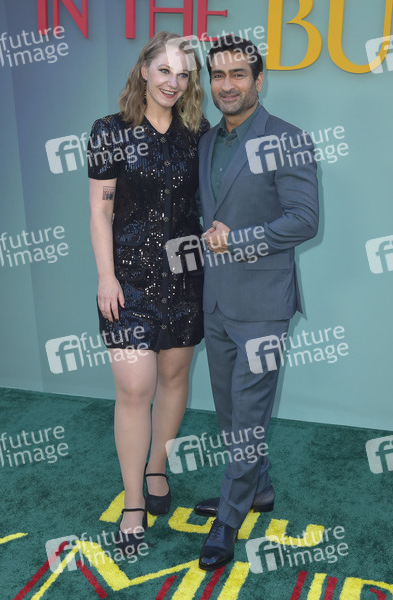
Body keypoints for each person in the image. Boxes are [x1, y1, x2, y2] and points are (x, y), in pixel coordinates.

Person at [194, 35, 319, 570]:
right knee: (230, 412)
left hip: (264, 304)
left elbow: (305, 220)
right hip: (217, 301)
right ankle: (257, 489)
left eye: (238, 75)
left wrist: (239, 240)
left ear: (258, 80)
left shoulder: (287, 139)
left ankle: (230, 515)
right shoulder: (207, 141)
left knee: (247, 417)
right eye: (218, 75)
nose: (227, 86)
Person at [88, 31, 209, 554]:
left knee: (175, 377)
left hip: (185, 276)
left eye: (183, 75)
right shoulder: (109, 131)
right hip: (128, 280)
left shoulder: (197, 133)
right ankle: (134, 499)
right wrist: (106, 276)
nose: (172, 82)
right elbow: (100, 211)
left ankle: (157, 466)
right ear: (144, 70)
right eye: (164, 70)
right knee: (135, 389)